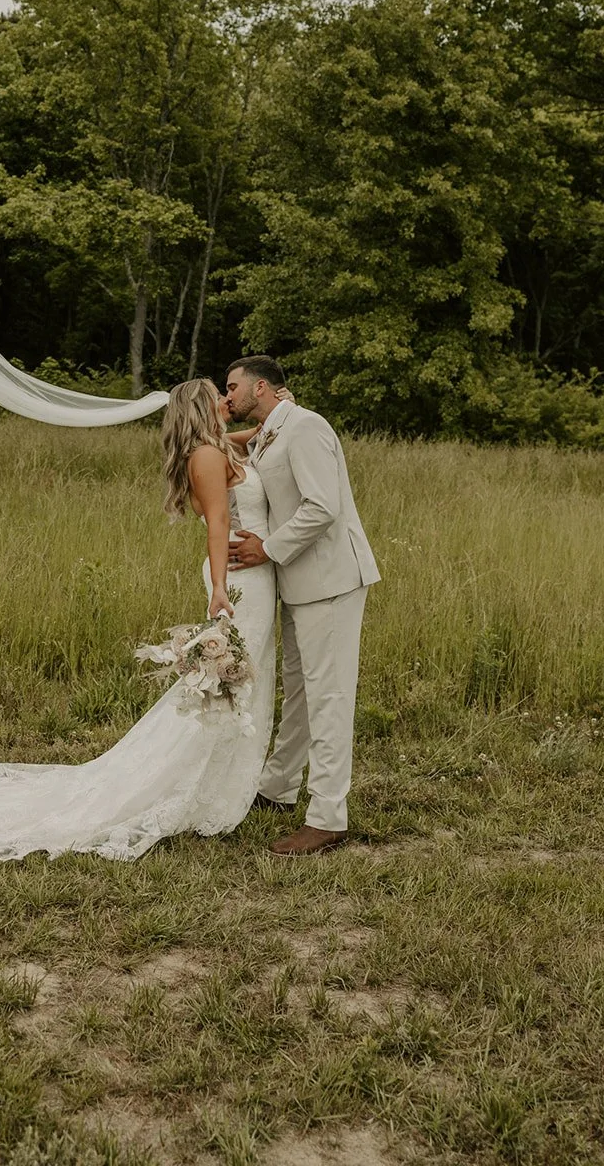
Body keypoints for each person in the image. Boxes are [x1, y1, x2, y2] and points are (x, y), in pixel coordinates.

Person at [0, 379, 279, 861]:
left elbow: (254, 438)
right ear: (200, 406)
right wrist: (216, 589)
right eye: (217, 394)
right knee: (224, 681)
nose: (225, 400)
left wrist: (277, 412)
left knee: (239, 679)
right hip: (236, 579)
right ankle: (185, 784)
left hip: (253, 573)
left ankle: (223, 780)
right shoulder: (208, 457)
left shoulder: (214, 447)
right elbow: (218, 524)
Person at [226, 355, 379, 857]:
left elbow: (322, 506)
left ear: (262, 387)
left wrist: (266, 548)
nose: (228, 396)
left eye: (233, 387)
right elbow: (254, 453)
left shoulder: (307, 427)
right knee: (300, 692)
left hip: (331, 581)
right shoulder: (274, 426)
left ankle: (328, 816)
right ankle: (278, 787)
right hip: (298, 583)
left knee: (330, 696)